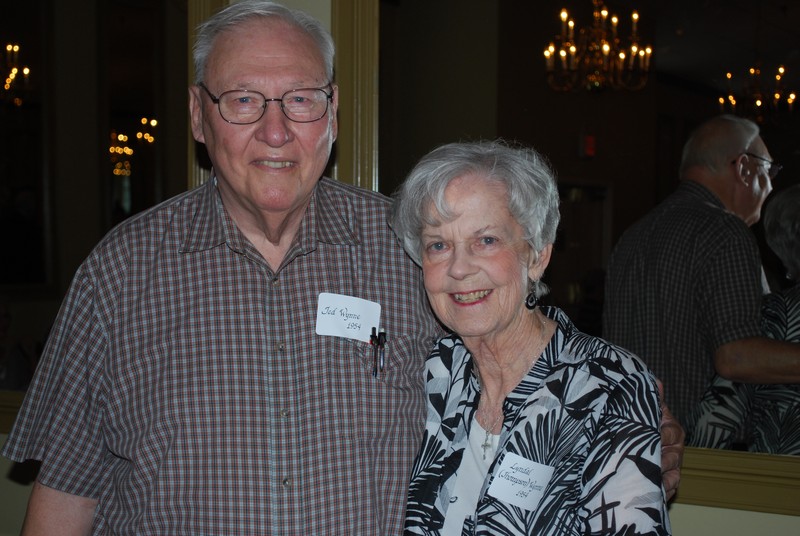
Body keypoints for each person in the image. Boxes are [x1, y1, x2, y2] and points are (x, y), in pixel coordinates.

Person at [2, 2, 683, 534]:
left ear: (332, 113)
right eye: (243, 100)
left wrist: (631, 423)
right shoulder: (120, 274)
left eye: (300, 99)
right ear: (198, 117)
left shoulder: (410, 247)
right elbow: (68, 490)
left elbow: (517, 355)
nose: (275, 131)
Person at [392, 140, 670, 535]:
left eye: (485, 240)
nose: (458, 268)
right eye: (439, 245)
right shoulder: (434, 372)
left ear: (537, 256)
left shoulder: (610, 386)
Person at [603, 114, 800, 446]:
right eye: (770, 171)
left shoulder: (633, 234)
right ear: (744, 168)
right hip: (696, 453)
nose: (771, 186)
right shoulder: (725, 230)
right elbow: (736, 356)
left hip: (626, 442)